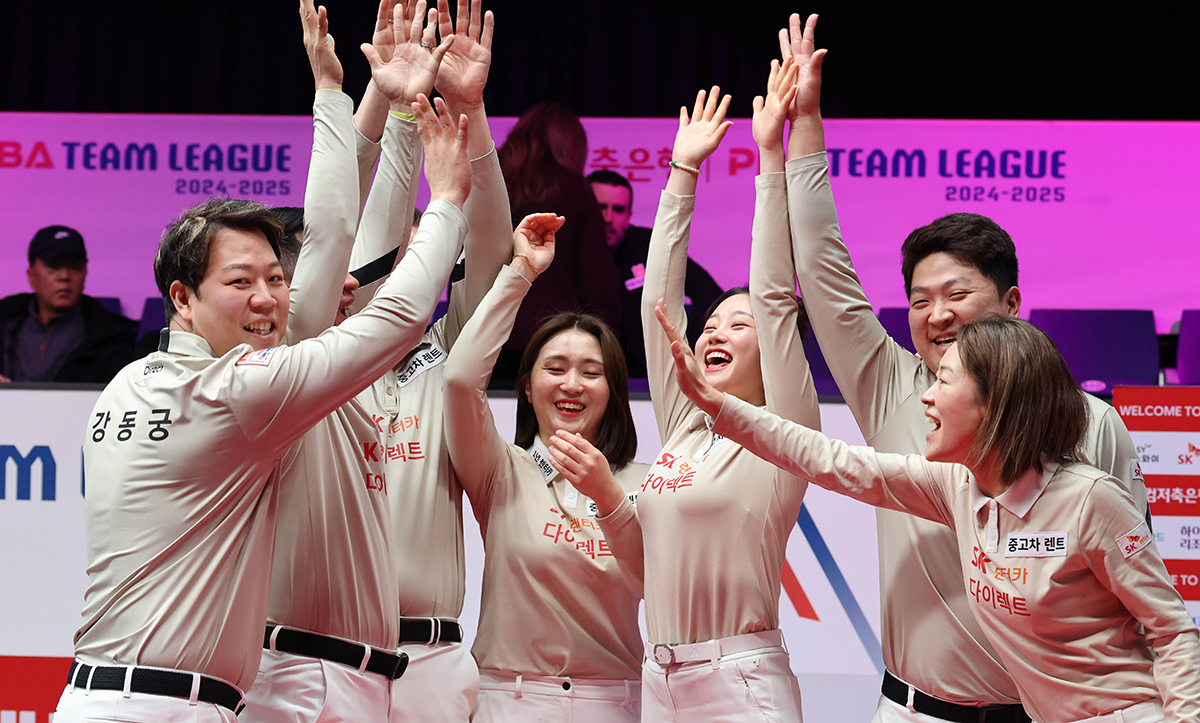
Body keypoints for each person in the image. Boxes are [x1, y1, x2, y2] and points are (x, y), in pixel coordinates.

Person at [51, 31, 472, 723]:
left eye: (277, 280)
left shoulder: (131, 382)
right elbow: (390, 311)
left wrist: (353, 103)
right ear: (181, 297)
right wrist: (448, 200)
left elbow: (333, 236)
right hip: (185, 701)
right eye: (242, 281)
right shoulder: (235, 391)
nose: (270, 298)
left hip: (129, 695)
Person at [776, 14, 1149, 722]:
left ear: (1011, 302)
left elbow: (1133, 580)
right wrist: (807, 127)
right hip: (914, 710)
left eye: (956, 294)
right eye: (918, 300)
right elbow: (823, 271)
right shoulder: (889, 384)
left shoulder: (1092, 422)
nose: (935, 314)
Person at [660, 312, 1200, 723]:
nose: (925, 398)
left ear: (995, 403)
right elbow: (834, 461)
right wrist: (718, 405)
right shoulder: (956, 486)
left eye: (943, 381)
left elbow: (1173, 631)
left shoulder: (1092, 499)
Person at [555, 78, 820, 721]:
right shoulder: (685, 425)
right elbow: (658, 306)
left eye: (738, 324)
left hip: (741, 680)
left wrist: (770, 159)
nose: (713, 332)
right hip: (661, 677)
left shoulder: (783, 431)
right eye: (711, 324)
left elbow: (776, 293)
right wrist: (681, 174)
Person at [238, 2, 454, 721]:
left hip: (370, 673)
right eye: (265, 282)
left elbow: (368, 238)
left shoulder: (345, 369)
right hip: (296, 672)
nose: (356, 282)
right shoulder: (278, 369)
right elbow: (333, 229)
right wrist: (445, 198)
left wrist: (392, 113)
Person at [443, 214, 647, 722]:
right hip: (507, 699)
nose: (572, 384)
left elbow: (656, 586)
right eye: (554, 369)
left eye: (591, 372)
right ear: (528, 389)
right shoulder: (501, 469)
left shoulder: (648, 481)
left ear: (613, 393)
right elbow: (460, 381)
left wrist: (609, 498)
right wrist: (520, 274)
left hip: (614, 701)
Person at [491, 101, 622, 386]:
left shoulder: (490, 182)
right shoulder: (574, 189)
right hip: (551, 337)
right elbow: (596, 280)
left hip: (486, 333)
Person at [587, 169, 723, 378]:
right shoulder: (560, 251)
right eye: (600, 207)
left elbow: (709, 293)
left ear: (629, 216)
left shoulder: (647, 245)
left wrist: (694, 348)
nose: (608, 218)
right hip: (586, 370)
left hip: (646, 378)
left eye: (618, 209)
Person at [0, 225, 138, 383]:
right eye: (53, 266)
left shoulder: (112, 340)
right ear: (31, 276)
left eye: (73, 266)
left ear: (85, 273)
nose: (64, 276)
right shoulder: (5, 325)